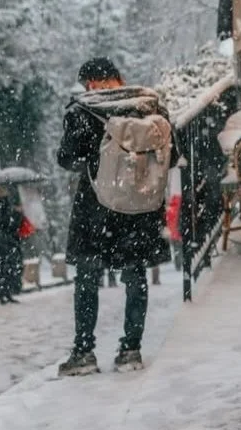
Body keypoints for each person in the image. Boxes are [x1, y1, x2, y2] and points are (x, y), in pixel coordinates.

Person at [57, 57, 177, 377]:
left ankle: (84, 351)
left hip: (96, 207)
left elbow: (67, 158)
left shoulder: (84, 110)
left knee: (87, 278)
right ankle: (131, 350)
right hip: (140, 205)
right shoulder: (150, 106)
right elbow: (173, 156)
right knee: (134, 274)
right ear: (119, 77)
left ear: (91, 83)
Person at [0, 182, 24, 304]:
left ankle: (7, 293)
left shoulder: (7, 202)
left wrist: (17, 212)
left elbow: (12, 222)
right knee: (1, 267)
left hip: (7, 240)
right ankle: (2, 294)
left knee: (9, 266)